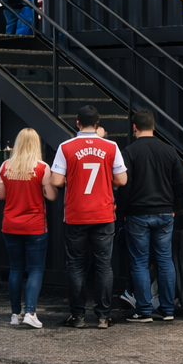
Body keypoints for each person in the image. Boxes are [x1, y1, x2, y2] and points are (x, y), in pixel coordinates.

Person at [50, 106, 127, 328]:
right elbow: (122, 180)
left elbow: (56, 181)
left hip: (76, 214)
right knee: (104, 265)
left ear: (77, 123)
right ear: (98, 122)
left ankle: (78, 316)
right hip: (103, 214)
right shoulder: (111, 146)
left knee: (76, 265)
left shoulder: (66, 147)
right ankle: (103, 316)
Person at [120, 109, 183, 321]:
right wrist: (174, 206)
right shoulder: (169, 150)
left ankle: (144, 310)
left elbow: (124, 185)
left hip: (138, 213)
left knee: (140, 261)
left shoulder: (130, 151)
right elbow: (180, 183)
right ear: (153, 126)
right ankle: (168, 309)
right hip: (165, 213)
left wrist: (123, 210)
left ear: (135, 128)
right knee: (165, 259)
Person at [0, 128, 54, 328]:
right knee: (35, 270)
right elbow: (51, 196)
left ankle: (15, 314)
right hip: (35, 226)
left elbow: (0, 195)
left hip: (10, 225)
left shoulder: (5, 166)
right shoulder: (42, 167)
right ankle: (30, 312)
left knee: (16, 269)